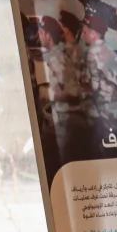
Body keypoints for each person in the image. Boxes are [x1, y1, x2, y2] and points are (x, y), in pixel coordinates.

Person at [39, 16, 88, 160]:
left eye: (41, 33)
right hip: (64, 120)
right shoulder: (56, 55)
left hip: (68, 122)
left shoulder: (57, 57)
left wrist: (49, 95)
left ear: (48, 36)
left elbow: (73, 91)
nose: (38, 36)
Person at [81, 14, 117, 145]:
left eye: (85, 32)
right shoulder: (111, 52)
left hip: (105, 113)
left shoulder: (92, 52)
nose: (83, 36)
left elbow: (94, 86)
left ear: (93, 33)